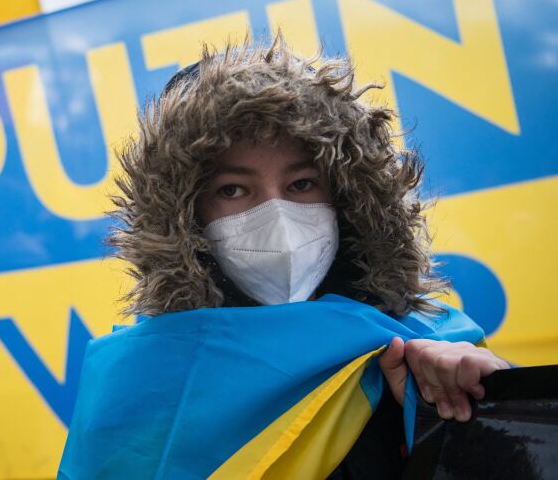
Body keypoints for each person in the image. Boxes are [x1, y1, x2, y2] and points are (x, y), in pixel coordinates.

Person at [58, 37, 509, 478]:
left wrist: (481, 412)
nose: (278, 218)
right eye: (233, 190)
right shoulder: (140, 387)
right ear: (186, 215)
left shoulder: (421, 347)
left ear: (348, 197)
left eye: (301, 185)